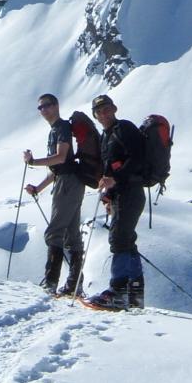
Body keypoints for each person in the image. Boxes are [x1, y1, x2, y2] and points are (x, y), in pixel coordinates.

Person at [22, 94, 87, 296]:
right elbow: (59, 167)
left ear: (56, 106)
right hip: (70, 182)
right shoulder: (57, 129)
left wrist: (32, 162)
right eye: (40, 108)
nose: (44, 110)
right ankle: (74, 285)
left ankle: (51, 283)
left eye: (47, 106)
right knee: (72, 235)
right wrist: (39, 188)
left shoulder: (61, 128)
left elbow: (59, 158)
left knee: (55, 232)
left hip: (67, 184)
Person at [87, 94, 145, 310]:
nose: (103, 114)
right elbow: (111, 168)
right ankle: (135, 295)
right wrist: (109, 194)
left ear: (114, 109)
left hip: (131, 192)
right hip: (122, 194)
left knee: (119, 238)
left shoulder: (125, 129)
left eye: (106, 109)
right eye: (99, 111)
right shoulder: (107, 136)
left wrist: (115, 179)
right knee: (125, 239)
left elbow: (137, 159)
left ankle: (118, 291)